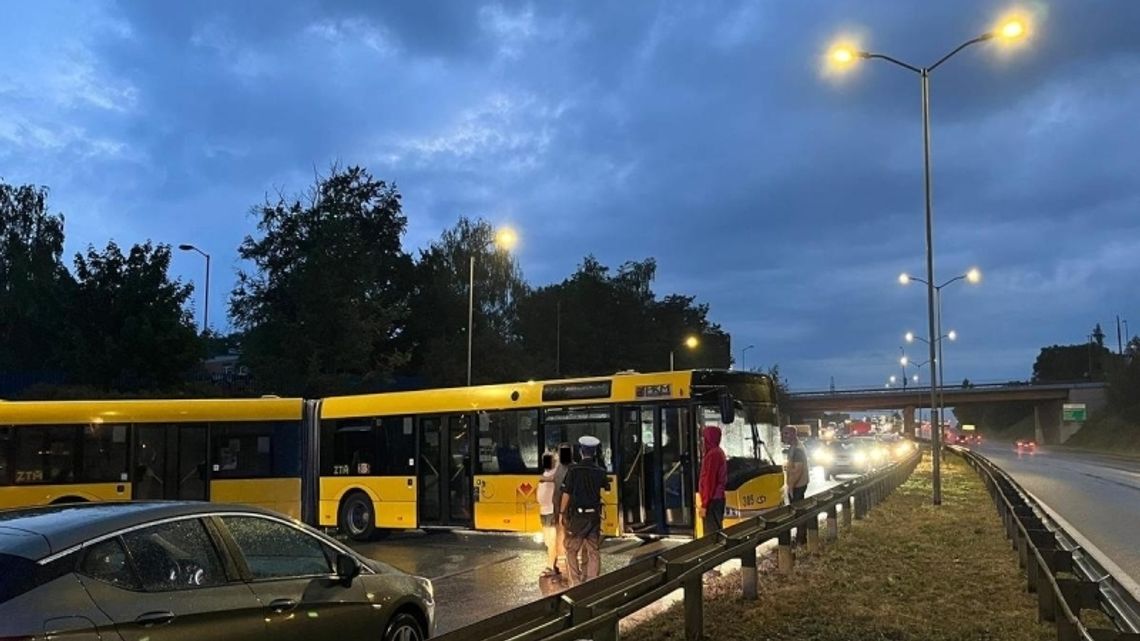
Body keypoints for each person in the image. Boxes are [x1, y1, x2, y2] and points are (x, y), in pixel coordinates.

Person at [560, 435, 611, 586]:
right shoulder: (600, 471)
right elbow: (606, 490)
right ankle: (592, 580)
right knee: (593, 550)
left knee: (571, 549)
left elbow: (566, 493)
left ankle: (575, 581)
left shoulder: (573, 470)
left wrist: (562, 513)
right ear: (594, 452)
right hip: (594, 516)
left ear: (581, 451)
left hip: (578, 517)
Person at [698, 425, 727, 535]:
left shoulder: (712, 455)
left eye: (704, 437)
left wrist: (704, 505)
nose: (703, 441)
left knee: (711, 534)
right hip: (717, 499)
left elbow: (709, 481)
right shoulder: (719, 452)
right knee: (717, 531)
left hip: (712, 501)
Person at [537, 451, 561, 578]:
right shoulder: (547, 472)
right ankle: (553, 564)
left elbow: (557, 474)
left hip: (551, 511)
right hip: (544, 511)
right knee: (547, 540)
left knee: (551, 540)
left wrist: (556, 458)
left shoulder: (554, 473)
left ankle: (551, 566)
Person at [781, 426, 809, 502]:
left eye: (786, 433)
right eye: (783, 433)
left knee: (796, 507)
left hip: (798, 485)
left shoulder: (797, 449)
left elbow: (797, 470)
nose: (783, 436)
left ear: (793, 434)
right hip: (797, 485)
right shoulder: (793, 447)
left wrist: (790, 486)